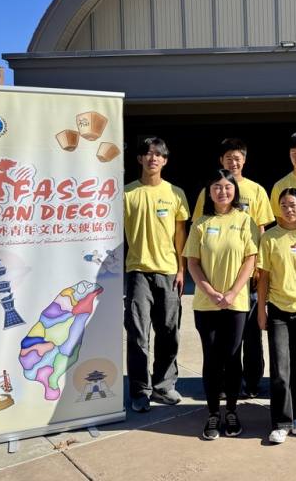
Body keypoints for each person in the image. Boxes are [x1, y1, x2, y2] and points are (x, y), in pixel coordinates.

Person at [193, 138, 274, 398]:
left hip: (248, 274)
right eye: (228, 157)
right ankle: (229, 384)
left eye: (238, 157)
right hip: (217, 278)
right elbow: (198, 230)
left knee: (250, 334)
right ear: (221, 161)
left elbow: (260, 230)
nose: (233, 161)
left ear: (245, 160)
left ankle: (251, 381)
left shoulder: (257, 190)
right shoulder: (209, 191)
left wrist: (259, 268)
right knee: (225, 340)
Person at [184, 169, 259, 440]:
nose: (223, 191)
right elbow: (192, 261)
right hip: (207, 304)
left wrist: (231, 292)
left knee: (232, 357)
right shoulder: (200, 223)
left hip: (236, 303)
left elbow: (250, 259)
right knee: (212, 359)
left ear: (234, 191)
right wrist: (211, 292)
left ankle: (231, 411)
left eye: (227, 186)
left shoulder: (244, 220)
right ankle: (213, 413)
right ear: (209, 192)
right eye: (217, 186)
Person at [123, 137, 189, 412]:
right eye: (148, 154)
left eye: (158, 155)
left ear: (165, 160)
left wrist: (182, 268)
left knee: (168, 332)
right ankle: (140, 390)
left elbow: (180, 234)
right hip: (138, 270)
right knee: (138, 334)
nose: (153, 158)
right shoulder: (126, 193)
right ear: (139, 159)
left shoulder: (175, 193)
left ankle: (164, 386)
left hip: (169, 272)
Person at [256, 188, 296, 444]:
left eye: (293, 204)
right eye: (284, 205)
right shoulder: (270, 237)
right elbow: (264, 278)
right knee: (281, 369)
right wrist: (261, 309)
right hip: (279, 308)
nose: (289, 209)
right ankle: (281, 422)